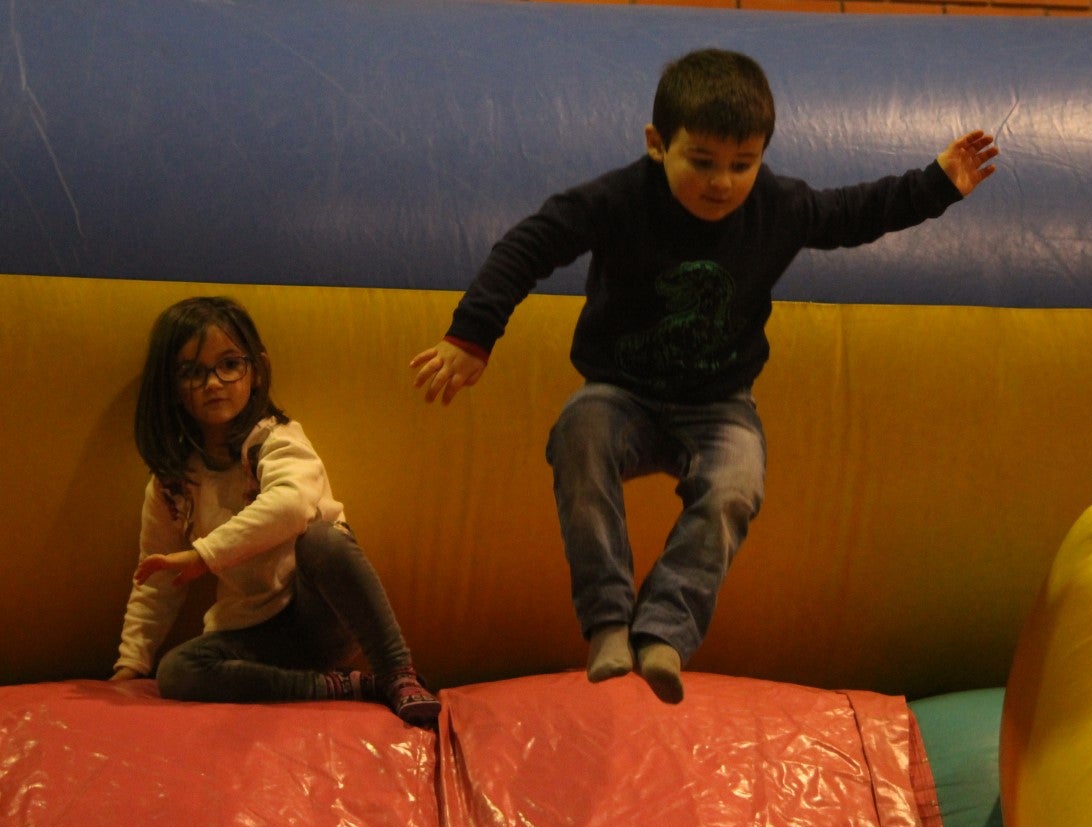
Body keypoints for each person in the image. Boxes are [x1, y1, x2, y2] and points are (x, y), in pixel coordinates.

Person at [410, 48, 998, 704]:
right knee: (579, 435)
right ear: (658, 144)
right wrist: (472, 334)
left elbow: (854, 214)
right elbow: (528, 245)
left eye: (742, 166)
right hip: (621, 393)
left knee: (734, 489)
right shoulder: (616, 201)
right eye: (703, 162)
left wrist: (938, 184)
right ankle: (608, 620)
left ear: (762, 157)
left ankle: (663, 628)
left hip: (719, 404)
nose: (722, 183)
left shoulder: (778, 207)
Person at [112, 296, 440, 727]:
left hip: (319, 615)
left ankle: (396, 673)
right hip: (253, 635)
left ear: (257, 369)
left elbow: (290, 505)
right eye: (193, 372)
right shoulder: (172, 484)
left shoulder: (276, 439)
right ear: (171, 386)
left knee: (325, 538)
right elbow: (156, 581)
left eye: (229, 364)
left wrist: (203, 556)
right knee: (177, 671)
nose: (213, 383)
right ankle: (339, 687)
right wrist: (130, 664)